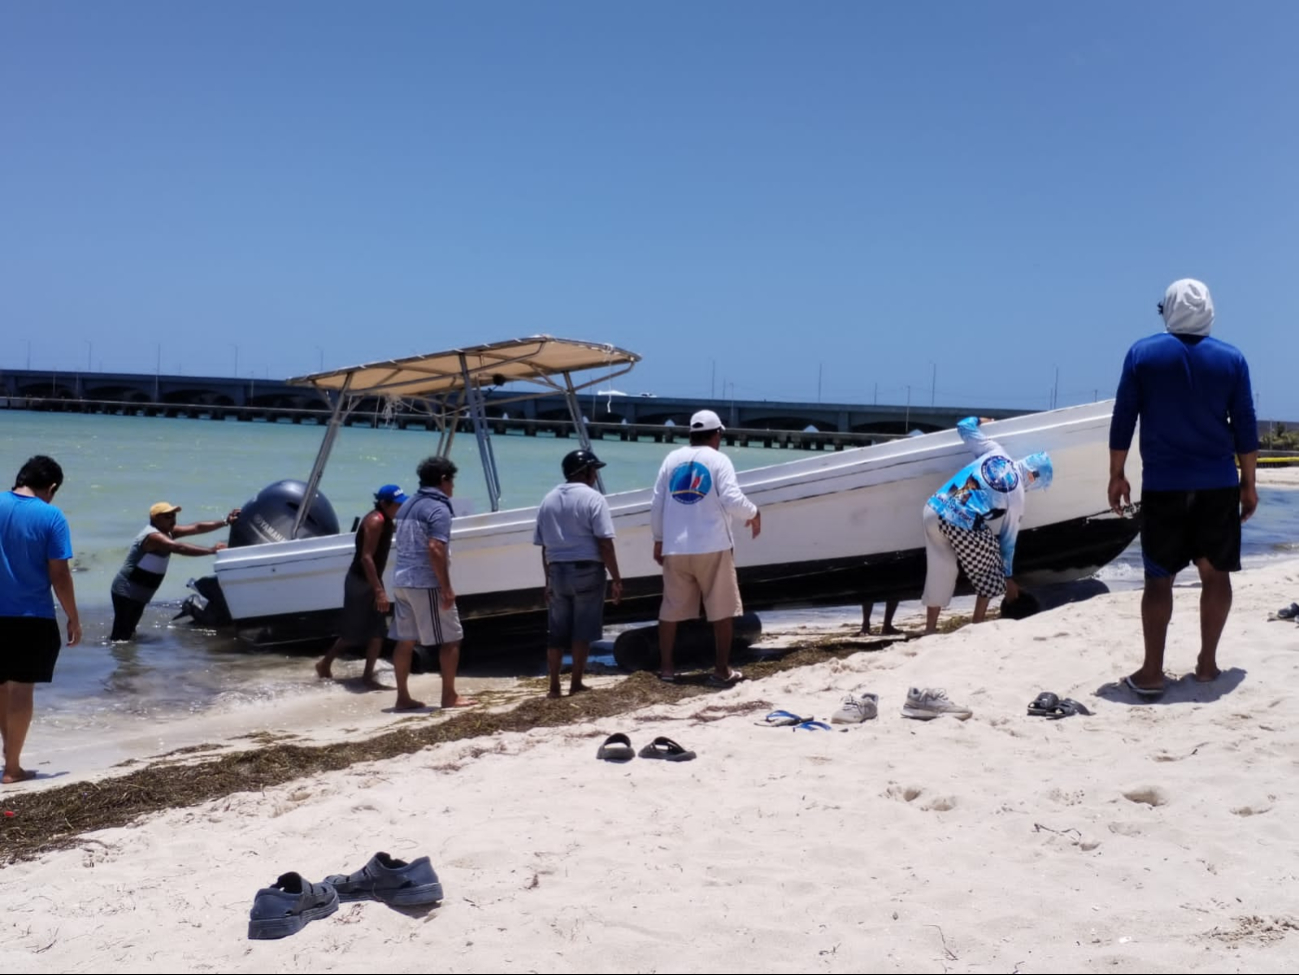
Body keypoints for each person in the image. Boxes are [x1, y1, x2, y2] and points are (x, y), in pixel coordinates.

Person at [1108, 278, 1258, 696]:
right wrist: (1249, 484)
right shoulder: (1232, 359)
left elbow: (1124, 417)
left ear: (1169, 310)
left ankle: (1152, 672)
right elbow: (1245, 429)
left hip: (1164, 484)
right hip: (1217, 485)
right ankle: (1208, 665)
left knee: (1159, 579)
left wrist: (1116, 473)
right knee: (1215, 574)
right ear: (1208, 311)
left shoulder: (1142, 355)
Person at [650, 409, 761, 685]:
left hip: (675, 547)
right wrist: (754, 513)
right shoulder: (719, 459)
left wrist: (659, 539)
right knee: (721, 609)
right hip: (712, 545)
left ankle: (666, 669)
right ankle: (721, 669)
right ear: (716, 434)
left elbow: (657, 503)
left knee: (671, 609)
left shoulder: (671, 459)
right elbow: (732, 498)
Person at [922, 417, 1053, 634]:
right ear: (1034, 478)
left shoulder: (996, 450)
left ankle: (930, 629)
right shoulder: (1017, 494)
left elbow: (964, 426)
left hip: (933, 507)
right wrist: (1008, 579)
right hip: (958, 521)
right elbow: (1007, 543)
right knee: (994, 566)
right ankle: (977, 624)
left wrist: (983, 420)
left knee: (941, 570)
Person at [0, 456, 80, 784]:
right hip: (30, 617)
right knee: (19, 688)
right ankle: (12, 768)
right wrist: (73, 617)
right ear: (52, 487)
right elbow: (59, 574)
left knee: (1, 687)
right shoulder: (51, 516)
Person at [388, 456, 476, 710]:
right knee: (452, 638)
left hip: (401, 580)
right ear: (443, 480)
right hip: (425, 583)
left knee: (405, 640)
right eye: (452, 481)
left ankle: (402, 697)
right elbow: (435, 547)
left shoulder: (406, 506)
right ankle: (449, 696)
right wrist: (446, 588)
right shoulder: (438, 508)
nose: (453, 488)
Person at [534, 449, 623, 699]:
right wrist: (617, 578)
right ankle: (575, 683)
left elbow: (544, 546)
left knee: (557, 632)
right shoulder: (594, 499)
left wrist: (547, 581)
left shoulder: (548, 499)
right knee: (582, 629)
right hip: (586, 569)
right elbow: (605, 542)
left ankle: (553, 687)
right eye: (594, 470)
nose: (595, 475)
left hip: (556, 571)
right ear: (584, 472)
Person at [315, 483, 408, 687]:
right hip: (360, 582)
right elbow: (366, 557)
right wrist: (379, 590)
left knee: (377, 631)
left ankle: (368, 676)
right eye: (398, 504)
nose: (400, 508)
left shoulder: (387, 520)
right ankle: (324, 663)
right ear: (384, 503)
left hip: (373, 581)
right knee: (352, 634)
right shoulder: (375, 521)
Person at [110, 501, 239, 641]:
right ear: (155, 518)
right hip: (126, 590)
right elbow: (179, 548)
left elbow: (197, 527)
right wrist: (211, 551)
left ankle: (127, 660)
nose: (173, 519)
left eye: (173, 515)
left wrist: (225, 522)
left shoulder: (168, 532)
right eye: (168, 516)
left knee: (129, 633)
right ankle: (116, 659)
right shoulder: (153, 536)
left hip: (141, 592)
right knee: (120, 637)